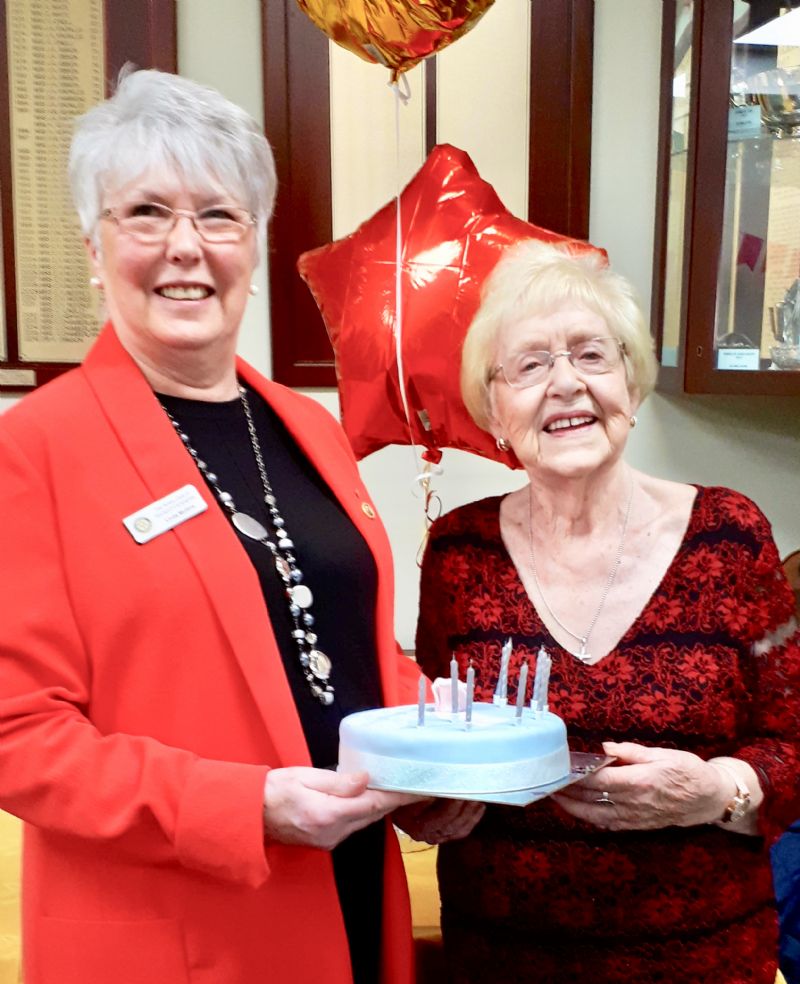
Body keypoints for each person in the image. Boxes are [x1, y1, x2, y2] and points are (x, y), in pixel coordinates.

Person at [0, 69, 481, 984]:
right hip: (175, 928)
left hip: (348, 892)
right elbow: (16, 735)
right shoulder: (33, 452)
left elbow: (344, 644)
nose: (187, 248)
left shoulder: (309, 429)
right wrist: (241, 806)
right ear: (94, 250)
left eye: (218, 216)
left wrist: (441, 754)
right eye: (146, 213)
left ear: (253, 245)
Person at [416, 239, 800, 983]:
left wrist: (715, 791)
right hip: (500, 961)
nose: (566, 385)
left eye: (592, 355)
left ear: (631, 380)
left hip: (703, 961)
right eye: (530, 366)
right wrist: (422, 809)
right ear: (494, 407)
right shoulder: (458, 551)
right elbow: (436, 734)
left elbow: (796, 743)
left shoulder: (731, 538)